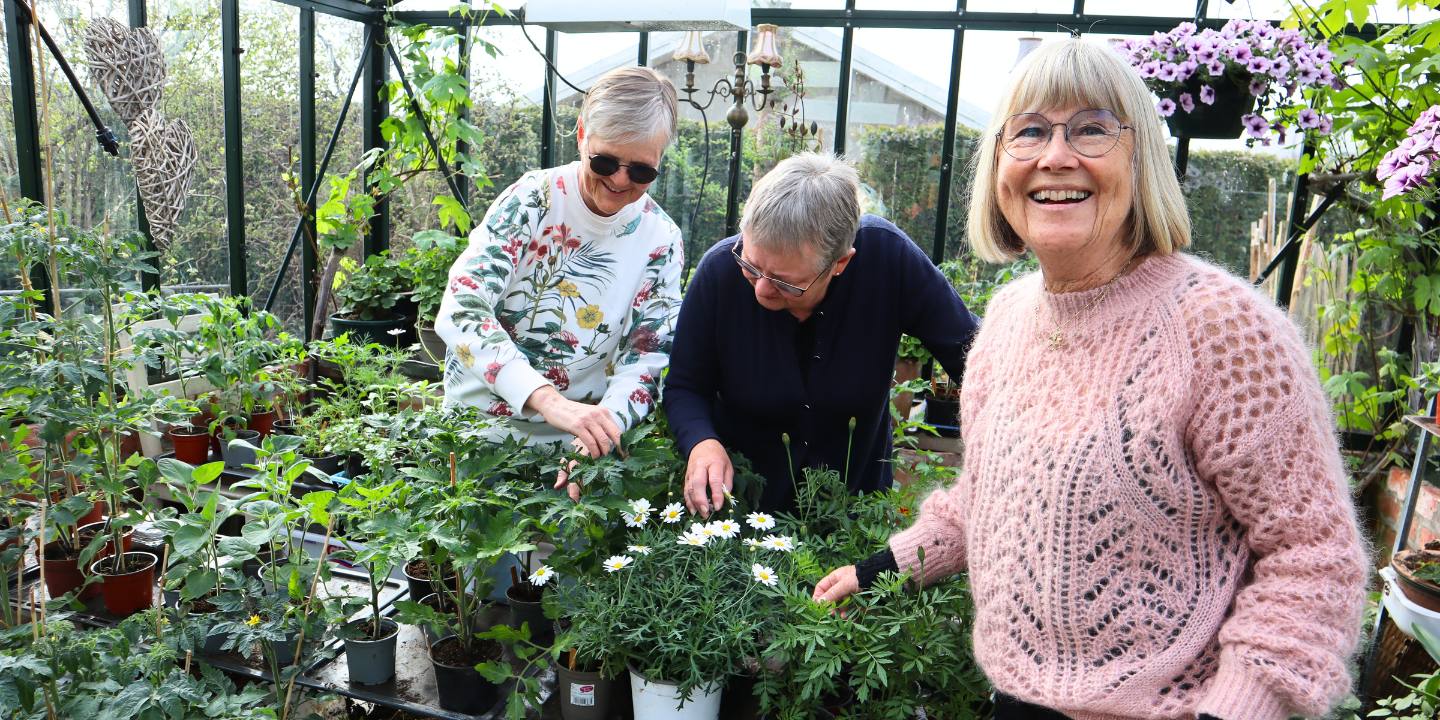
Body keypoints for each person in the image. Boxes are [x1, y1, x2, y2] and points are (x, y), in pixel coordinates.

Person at [812, 39, 1367, 720]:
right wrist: (881, 570)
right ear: (999, 169)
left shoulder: (1218, 327)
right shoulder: (1009, 320)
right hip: (1016, 701)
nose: (1055, 156)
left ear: (1142, 162)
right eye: (1031, 131)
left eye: (1093, 129)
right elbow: (986, 497)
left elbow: (1313, 552)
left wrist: (1237, 711)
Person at [664, 152, 979, 515]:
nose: (761, 291)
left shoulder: (887, 260)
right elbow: (686, 386)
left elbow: (973, 355)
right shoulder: (719, 271)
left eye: (786, 282)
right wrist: (702, 442)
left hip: (852, 516)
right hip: (740, 512)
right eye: (751, 267)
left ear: (840, 263)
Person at [436, 67, 684, 479]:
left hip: (575, 446)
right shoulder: (533, 200)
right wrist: (547, 399)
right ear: (582, 134)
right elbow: (463, 306)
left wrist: (602, 433)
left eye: (642, 171)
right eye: (604, 161)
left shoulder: (661, 239)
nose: (620, 181)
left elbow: (644, 361)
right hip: (477, 433)